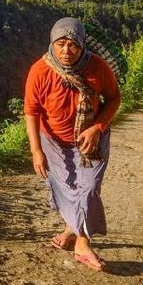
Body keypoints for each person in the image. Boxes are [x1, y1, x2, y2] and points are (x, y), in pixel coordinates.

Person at [24, 17, 121, 271]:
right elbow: (32, 111)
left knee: (87, 188)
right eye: (61, 44)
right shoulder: (40, 71)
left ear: (82, 45)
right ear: (52, 44)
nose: (66, 51)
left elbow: (113, 98)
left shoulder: (97, 68)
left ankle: (82, 243)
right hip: (54, 143)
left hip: (91, 138)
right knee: (66, 187)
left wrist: (97, 128)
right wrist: (36, 150)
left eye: (73, 45)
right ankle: (71, 229)